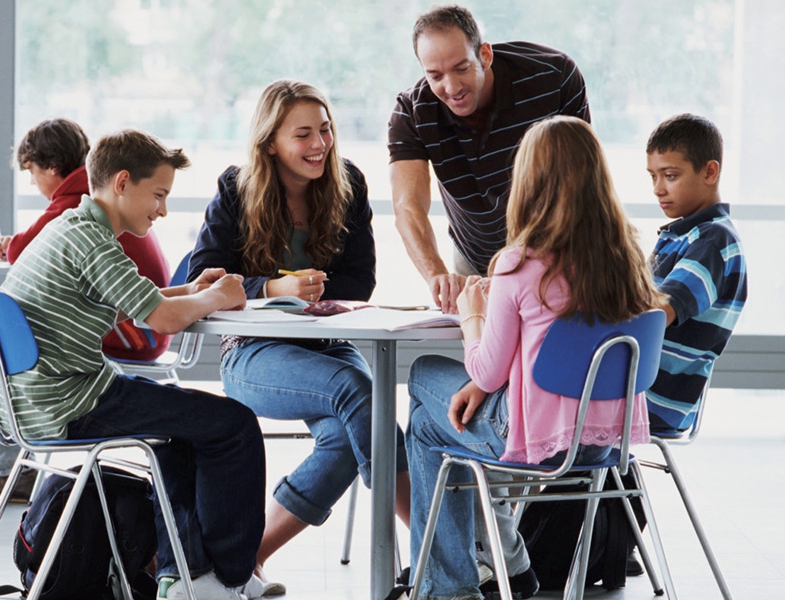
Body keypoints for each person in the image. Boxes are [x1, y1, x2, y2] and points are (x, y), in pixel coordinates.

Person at [0, 129, 265, 600]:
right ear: (122, 182)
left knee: (183, 434)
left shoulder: (74, 227)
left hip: (45, 400)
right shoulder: (94, 242)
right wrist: (218, 296)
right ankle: (229, 575)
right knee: (234, 425)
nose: (161, 210)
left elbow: (132, 303)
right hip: (70, 402)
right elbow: (160, 320)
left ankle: (184, 574)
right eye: (158, 195)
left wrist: (194, 291)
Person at [404, 116, 663, 600]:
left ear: (528, 182)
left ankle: (460, 583)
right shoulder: (627, 257)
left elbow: (487, 370)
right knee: (441, 421)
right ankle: (498, 564)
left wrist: (471, 313)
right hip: (604, 444)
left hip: (540, 440)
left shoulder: (518, 264)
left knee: (424, 402)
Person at [190, 79, 407, 596]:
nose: (320, 144)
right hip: (252, 353)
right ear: (270, 142)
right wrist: (272, 286)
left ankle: (243, 561)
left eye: (326, 130)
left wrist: (318, 294)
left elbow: (360, 280)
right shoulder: (236, 188)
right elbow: (203, 272)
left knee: (349, 438)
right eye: (303, 134)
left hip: (327, 347)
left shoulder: (348, 182)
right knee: (363, 398)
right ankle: (432, 544)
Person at [0, 118, 174, 500]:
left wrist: (8, 243)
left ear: (51, 168)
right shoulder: (89, 201)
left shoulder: (78, 206)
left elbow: (23, 250)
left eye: (33, 175)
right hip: (137, 320)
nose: (35, 186)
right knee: (1, 338)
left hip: (134, 329)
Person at [389, 4, 591, 312]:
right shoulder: (412, 112)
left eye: (461, 68)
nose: (451, 87)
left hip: (556, 253)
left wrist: (528, 270)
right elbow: (408, 206)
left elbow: (580, 184)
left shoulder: (554, 77)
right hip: (474, 259)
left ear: (484, 54)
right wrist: (437, 275)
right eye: (435, 75)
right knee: (481, 357)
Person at [644, 114, 747, 432]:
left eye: (670, 175)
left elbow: (655, 313)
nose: (659, 189)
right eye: (653, 177)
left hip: (655, 400)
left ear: (710, 171)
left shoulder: (713, 242)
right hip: (640, 391)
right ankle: (597, 480)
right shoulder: (684, 235)